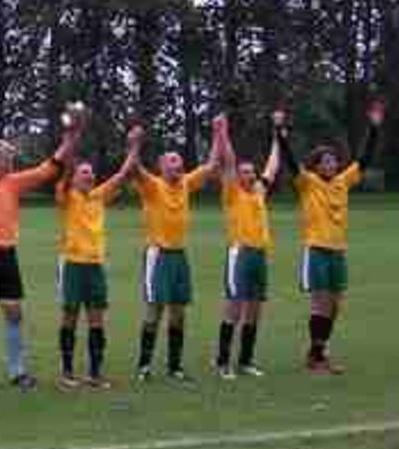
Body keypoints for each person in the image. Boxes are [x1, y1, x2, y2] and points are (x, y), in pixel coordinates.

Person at [0, 121, 82, 392]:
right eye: (7, 158)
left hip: (7, 254)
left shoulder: (14, 182)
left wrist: (69, 139)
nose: (11, 162)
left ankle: (17, 371)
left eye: (12, 158)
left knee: (14, 313)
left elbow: (50, 168)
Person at [276, 100, 385, 373]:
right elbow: (289, 160)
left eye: (334, 160)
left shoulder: (343, 182)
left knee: (335, 307)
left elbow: (365, 158)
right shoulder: (307, 183)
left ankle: (318, 350)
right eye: (325, 161)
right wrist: (279, 131)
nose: (331, 164)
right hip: (316, 250)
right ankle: (317, 358)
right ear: (316, 166)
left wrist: (373, 127)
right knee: (322, 304)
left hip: (338, 251)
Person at [132, 116, 225, 382]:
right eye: (172, 161)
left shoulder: (186, 183)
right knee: (154, 310)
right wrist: (135, 143)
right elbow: (134, 169)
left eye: (179, 161)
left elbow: (212, 165)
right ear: (161, 166)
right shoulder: (153, 186)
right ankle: (144, 365)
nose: (178, 165)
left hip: (179, 255)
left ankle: (174, 367)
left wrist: (218, 133)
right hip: (158, 254)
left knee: (179, 312)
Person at [55, 125, 144, 389]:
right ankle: (68, 372)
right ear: (74, 178)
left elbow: (124, 173)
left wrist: (134, 146)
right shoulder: (67, 196)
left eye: (91, 173)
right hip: (72, 265)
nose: (89, 176)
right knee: (70, 317)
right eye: (84, 173)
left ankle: (95, 373)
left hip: (95, 266)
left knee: (96, 319)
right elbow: (65, 168)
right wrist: (71, 139)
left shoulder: (98, 196)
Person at [214, 116, 282, 378]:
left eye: (252, 172)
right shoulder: (232, 193)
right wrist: (223, 134)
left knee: (254, 310)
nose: (250, 175)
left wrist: (277, 137)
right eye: (245, 172)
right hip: (239, 253)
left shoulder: (258, 191)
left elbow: (273, 167)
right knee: (234, 307)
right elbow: (229, 162)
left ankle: (245, 361)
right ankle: (222, 362)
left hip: (259, 254)